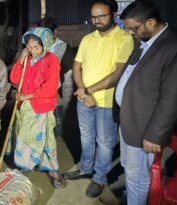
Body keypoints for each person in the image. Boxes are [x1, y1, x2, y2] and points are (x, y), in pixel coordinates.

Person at [63, 0, 134, 197]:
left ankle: (100, 178)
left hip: (106, 102)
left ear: (113, 14)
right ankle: (86, 169)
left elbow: (117, 73)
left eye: (102, 15)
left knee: (104, 141)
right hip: (84, 99)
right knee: (86, 137)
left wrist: (89, 91)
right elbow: (77, 67)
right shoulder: (87, 39)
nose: (97, 20)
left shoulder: (125, 39)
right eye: (94, 16)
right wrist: (83, 91)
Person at [115, 1, 177, 204]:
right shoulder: (145, 41)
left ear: (151, 22)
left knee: (139, 177)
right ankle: (131, 198)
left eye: (133, 28)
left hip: (145, 129)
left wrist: (154, 135)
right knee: (130, 169)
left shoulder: (174, 47)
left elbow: (171, 97)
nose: (131, 33)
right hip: (129, 121)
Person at [10, 27, 63, 188]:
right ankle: (26, 165)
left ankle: (53, 170)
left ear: (45, 44)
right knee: (24, 136)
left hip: (40, 105)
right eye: (29, 47)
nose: (33, 51)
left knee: (45, 139)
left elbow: (51, 86)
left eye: (37, 47)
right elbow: (14, 78)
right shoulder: (26, 58)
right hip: (24, 106)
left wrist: (26, 96)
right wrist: (21, 59)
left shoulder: (51, 59)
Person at [38, 17, 75, 137]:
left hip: (54, 94)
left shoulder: (65, 49)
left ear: (55, 31)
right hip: (36, 94)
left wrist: (66, 106)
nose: (44, 37)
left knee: (53, 129)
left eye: (47, 33)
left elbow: (68, 83)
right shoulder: (35, 46)